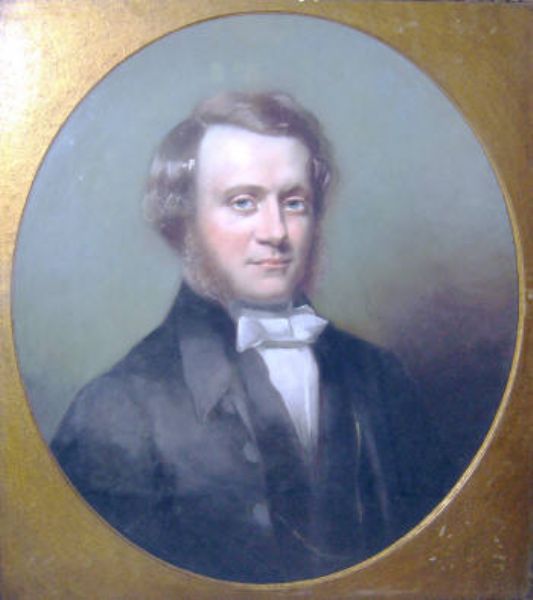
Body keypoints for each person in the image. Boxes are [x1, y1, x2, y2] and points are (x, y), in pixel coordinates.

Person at [51, 91, 453, 583]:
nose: (276, 232)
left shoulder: (382, 379)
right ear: (184, 222)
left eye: (294, 203)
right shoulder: (115, 409)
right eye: (243, 203)